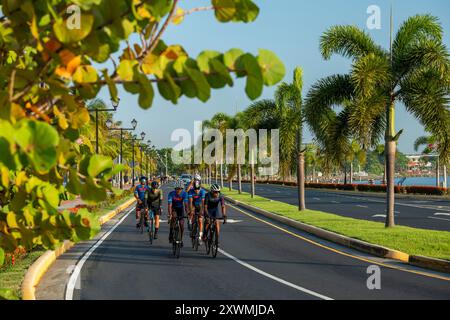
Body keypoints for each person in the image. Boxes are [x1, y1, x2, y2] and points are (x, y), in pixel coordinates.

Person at [167, 180, 189, 246]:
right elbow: (169, 205)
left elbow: (186, 205)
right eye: (177, 189)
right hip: (173, 208)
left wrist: (187, 213)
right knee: (173, 218)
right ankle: (171, 233)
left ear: (182, 189)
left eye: (180, 189)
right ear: (175, 189)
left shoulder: (184, 194)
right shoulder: (171, 194)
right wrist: (170, 214)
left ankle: (180, 239)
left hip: (180, 209)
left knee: (182, 225)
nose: (178, 190)